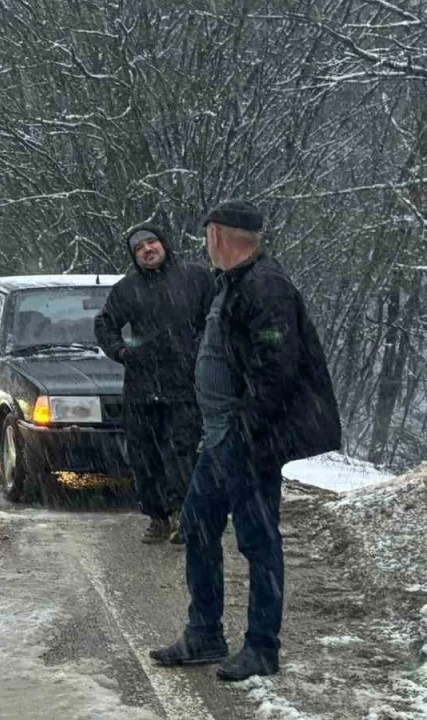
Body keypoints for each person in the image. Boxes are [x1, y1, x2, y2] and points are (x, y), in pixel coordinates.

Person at [150, 200, 342, 681]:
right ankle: (204, 634)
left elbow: (275, 372)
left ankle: (262, 647)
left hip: (247, 442)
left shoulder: (265, 286)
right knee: (196, 525)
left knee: (258, 543)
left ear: (217, 235)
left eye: (206, 236)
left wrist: (243, 432)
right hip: (218, 442)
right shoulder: (232, 283)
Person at [95, 224, 212, 544]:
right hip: (141, 388)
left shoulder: (197, 279)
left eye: (152, 242)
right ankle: (157, 517)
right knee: (144, 456)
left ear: (164, 244)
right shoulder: (126, 289)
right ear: (134, 257)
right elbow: (104, 324)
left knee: (181, 452)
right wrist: (120, 351)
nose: (147, 249)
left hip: (184, 386)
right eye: (139, 248)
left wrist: (203, 350)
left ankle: (184, 517)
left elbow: (216, 318)